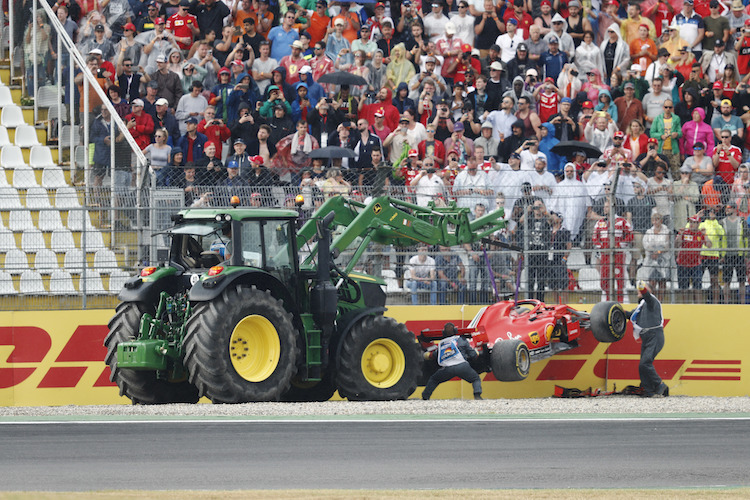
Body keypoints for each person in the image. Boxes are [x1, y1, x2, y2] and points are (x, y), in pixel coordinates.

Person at [626, 281, 669, 398]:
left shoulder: (652, 301)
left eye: (641, 290)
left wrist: (642, 287)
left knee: (645, 363)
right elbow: (630, 314)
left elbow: (647, 296)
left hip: (655, 335)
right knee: (642, 365)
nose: (638, 292)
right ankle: (648, 390)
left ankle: (660, 384)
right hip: (647, 337)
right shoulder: (641, 307)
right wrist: (616, 309)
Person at [422, 323, 482, 400]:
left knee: (434, 380)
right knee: (475, 379)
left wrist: (426, 355)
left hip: (447, 369)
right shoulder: (461, 339)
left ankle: (425, 397)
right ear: (455, 331)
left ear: (443, 333)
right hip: (462, 367)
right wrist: (476, 353)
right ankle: (477, 396)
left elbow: (433, 355)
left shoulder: (442, 343)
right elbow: (473, 355)